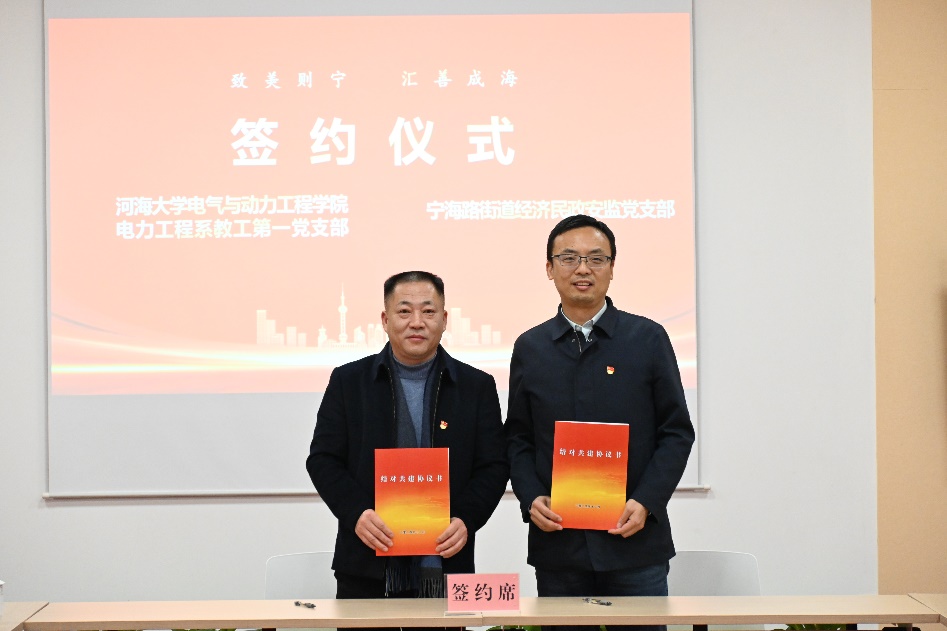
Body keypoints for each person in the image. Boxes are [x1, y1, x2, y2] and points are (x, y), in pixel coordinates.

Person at [505, 215, 695, 631]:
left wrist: (646, 501)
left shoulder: (648, 339)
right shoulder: (531, 347)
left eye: (596, 258)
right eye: (569, 258)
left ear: (612, 267)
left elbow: (677, 432)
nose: (583, 269)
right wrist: (531, 498)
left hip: (635, 543)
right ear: (550, 268)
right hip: (560, 545)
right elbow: (517, 438)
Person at [307, 271, 508, 608]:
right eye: (404, 311)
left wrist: (466, 519)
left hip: (444, 562)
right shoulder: (349, 381)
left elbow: (494, 465)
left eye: (428, 311)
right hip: (366, 562)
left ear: (444, 320)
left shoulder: (476, 386)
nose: (416, 322)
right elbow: (323, 460)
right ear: (385, 320)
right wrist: (357, 513)